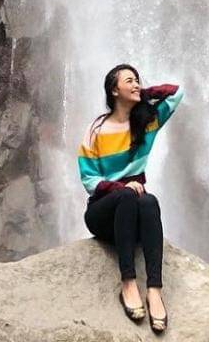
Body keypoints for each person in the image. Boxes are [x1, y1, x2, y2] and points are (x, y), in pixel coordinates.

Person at [77, 64, 183, 334]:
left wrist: (143, 93)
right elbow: (89, 179)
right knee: (128, 195)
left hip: (133, 211)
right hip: (102, 214)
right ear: (114, 90)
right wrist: (120, 186)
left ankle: (154, 290)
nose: (136, 84)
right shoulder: (97, 128)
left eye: (137, 80)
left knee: (149, 201)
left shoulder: (146, 124)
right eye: (129, 81)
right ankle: (128, 282)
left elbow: (177, 93)